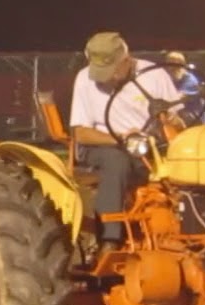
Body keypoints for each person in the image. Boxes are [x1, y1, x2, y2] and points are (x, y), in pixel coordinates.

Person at [70, 32, 183, 257]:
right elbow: (81, 132)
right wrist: (121, 138)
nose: (106, 78)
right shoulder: (85, 79)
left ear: (126, 59)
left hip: (149, 145)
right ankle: (109, 239)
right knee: (117, 161)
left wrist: (171, 121)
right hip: (103, 145)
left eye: (112, 71)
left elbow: (177, 119)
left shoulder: (155, 76)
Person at [164, 50, 205, 123]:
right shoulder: (166, 79)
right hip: (177, 118)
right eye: (168, 64)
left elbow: (178, 98)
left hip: (193, 120)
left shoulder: (190, 80)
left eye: (174, 64)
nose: (170, 68)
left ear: (182, 64)